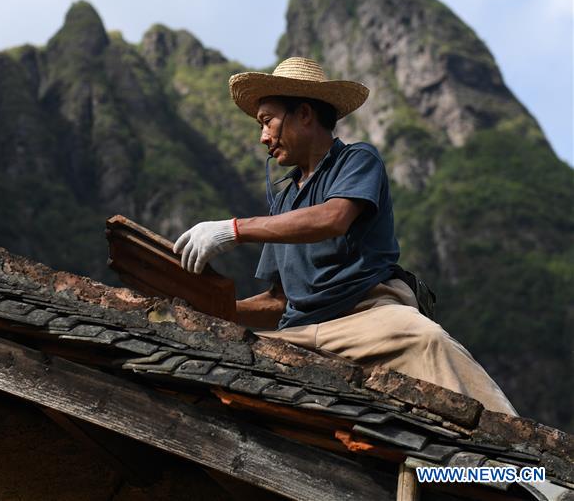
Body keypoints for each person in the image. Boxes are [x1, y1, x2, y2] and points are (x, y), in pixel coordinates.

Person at [173, 56, 517, 415]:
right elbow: (280, 299)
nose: (262, 137)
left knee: (427, 340)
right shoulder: (284, 200)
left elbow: (334, 218)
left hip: (366, 318)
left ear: (304, 114)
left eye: (267, 121)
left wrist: (233, 230)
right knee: (215, 361)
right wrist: (216, 308)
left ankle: (522, 465)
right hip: (301, 332)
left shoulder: (358, 160)